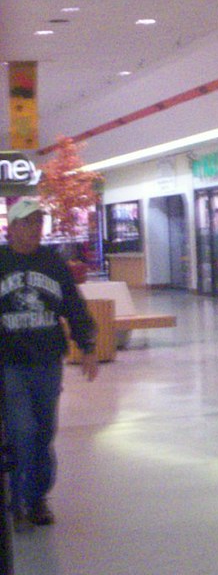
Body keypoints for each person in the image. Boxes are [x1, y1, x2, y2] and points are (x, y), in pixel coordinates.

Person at [0, 198, 99, 533]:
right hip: (9, 362)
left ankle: (38, 497)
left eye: (38, 224)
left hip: (46, 361)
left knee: (44, 431)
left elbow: (73, 304)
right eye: (26, 223)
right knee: (21, 430)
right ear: (11, 228)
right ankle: (16, 501)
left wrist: (86, 345)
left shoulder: (53, 264)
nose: (33, 230)